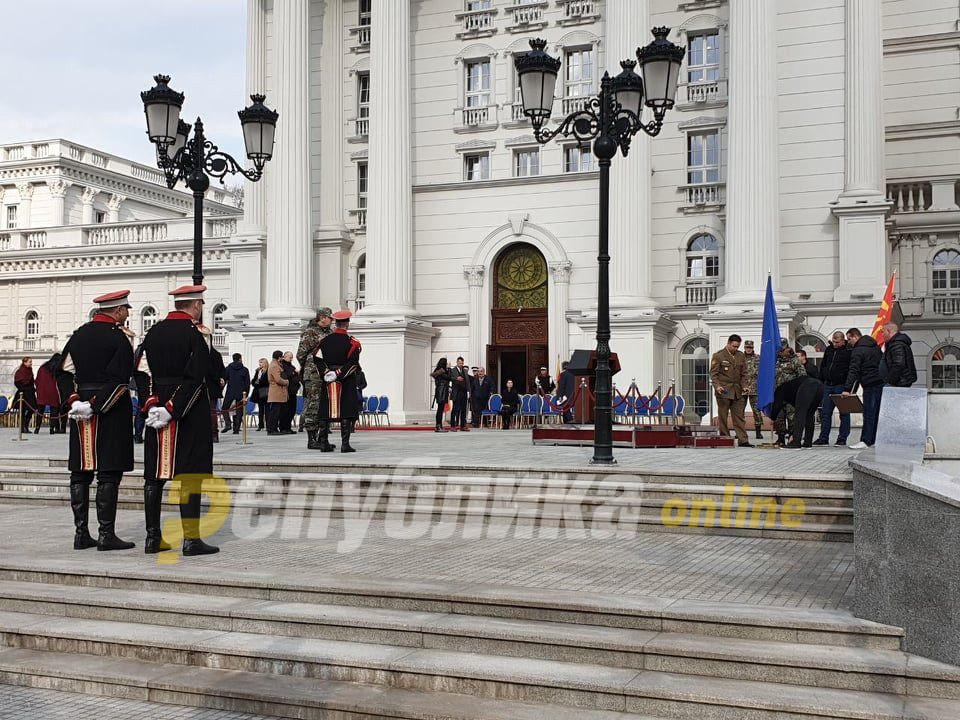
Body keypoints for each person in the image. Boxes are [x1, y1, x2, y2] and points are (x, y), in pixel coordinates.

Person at [140, 284, 218, 556]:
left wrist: (151, 403)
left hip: (156, 408)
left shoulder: (153, 331)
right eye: (201, 305)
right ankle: (191, 540)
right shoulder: (199, 334)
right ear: (195, 305)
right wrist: (174, 407)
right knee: (190, 476)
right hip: (188, 409)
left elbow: (141, 370)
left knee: (155, 475)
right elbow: (198, 374)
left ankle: (153, 538)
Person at [59, 290, 137, 552]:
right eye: (125, 308)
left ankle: (81, 533)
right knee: (108, 472)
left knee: (80, 473)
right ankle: (106, 535)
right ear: (116, 311)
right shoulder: (120, 339)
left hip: (80, 408)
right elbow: (120, 379)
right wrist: (95, 406)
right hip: (110, 410)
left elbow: (63, 372)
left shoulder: (78, 335)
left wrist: (75, 402)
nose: (127, 313)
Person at [315, 310, 363, 453]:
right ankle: (345, 444)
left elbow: (317, 359)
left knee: (325, 410)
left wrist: (327, 373)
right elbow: (353, 363)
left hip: (328, 378)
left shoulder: (324, 341)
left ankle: (323, 443)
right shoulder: (353, 342)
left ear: (335, 323)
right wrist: (339, 373)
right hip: (345, 380)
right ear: (347, 324)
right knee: (346, 411)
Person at [296, 307, 334, 449]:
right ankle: (311, 439)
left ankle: (322, 438)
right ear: (323, 317)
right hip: (313, 374)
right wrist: (309, 367)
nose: (332, 321)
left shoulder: (330, 333)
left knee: (325, 406)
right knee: (314, 405)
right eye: (330, 318)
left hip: (327, 374)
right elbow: (301, 354)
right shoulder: (310, 332)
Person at [842, 327, 884, 449]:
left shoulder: (858, 350)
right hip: (880, 382)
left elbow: (854, 370)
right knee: (877, 413)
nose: (849, 342)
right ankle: (874, 440)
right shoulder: (875, 347)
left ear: (855, 336)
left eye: (849, 339)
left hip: (870, 384)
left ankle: (866, 440)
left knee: (869, 413)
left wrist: (847, 389)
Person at [709, 334, 752, 448]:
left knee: (739, 417)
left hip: (737, 391)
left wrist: (745, 385)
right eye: (734, 346)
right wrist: (717, 386)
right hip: (724, 390)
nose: (735, 349)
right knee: (723, 415)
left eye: (737, 346)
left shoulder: (740, 356)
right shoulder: (718, 356)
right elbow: (714, 374)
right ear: (728, 343)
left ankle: (743, 440)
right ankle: (725, 438)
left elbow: (744, 374)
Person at [813, 331, 852, 446]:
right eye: (833, 341)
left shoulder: (849, 351)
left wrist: (848, 387)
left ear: (843, 340)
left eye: (837, 342)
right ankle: (823, 438)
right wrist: (821, 381)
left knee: (844, 413)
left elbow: (851, 369)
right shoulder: (829, 350)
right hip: (828, 385)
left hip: (841, 385)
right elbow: (823, 365)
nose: (835, 344)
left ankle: (842, 438)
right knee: (825, 413)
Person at [770, 374, 825, 449]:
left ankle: (796, 442)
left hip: (807, 386)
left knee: (800, 414)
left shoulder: (779, 390)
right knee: (809, 415)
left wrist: (772, 417)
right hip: (820, 386)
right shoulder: (790, 387)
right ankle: (807, 442)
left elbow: (777, 406)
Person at [773, 344, 807, 445]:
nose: (781, 352)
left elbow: (802, 376)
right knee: (779, 417)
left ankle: (793, 437)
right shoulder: (775, 361)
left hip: (791, 394)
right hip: (778, 394)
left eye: (783, 349)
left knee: (792, 416)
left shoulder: (794, 360)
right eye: (779, 350)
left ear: (787, 349)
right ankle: (780, 437)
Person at [221, 353, 250, 435]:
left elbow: (224, 381)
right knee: (239, 411)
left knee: (224, 408)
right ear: (240, 359)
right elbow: (247, 383)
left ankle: (228, 424)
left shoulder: (228, 368)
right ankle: (236, 429)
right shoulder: (245, 370)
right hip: (241, 392)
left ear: (233, 359)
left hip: (230, 391)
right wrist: (246, 394)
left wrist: (221, 390)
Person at [881, 322, 917, 388]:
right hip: (899, 382)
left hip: (898, 383)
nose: (882, 335)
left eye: (883, 332)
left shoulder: (897, 344)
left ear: (888, 331)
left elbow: (898, 364)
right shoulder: (895, 343)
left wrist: (891, 381)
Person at [35, 354, 64, 434]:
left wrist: (38, 389)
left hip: (42, 390)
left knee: (40, 410)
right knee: (54, 410)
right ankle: (52, 428)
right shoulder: (57, 369)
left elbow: (37, 380)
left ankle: (37, 428)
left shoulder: (42, 367)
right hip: (53, 391)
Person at [742, 340, 763, 441]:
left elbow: (763, 371)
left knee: (757, 411)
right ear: (744, 348)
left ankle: (758, 432)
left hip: (755, 388)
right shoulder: (740, 358)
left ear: (753, 348)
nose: (748, 349)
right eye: (747, 347)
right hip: (742, 388)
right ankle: (740, 431)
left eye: (750, 347)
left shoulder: (758, 358)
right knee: (740, 411)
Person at [13, 357, 40, 434]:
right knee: (22, 410)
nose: (31, 363)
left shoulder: (30, 371)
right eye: (29, 362)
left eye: (31, 362)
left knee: (32, 409)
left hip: (30, 393)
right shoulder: (20, 371)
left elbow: (31, 381)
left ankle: (26, 425)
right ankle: (22, 428)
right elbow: (17, 382)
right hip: (23, 393)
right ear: (25, 362)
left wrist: (33, 388)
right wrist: (23, 389)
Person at [266, 350, 288, 435]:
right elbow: (278, 379)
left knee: (277, 412)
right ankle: (272, 429)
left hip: (278, 392)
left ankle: (274, 428)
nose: (282, 358)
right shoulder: (275, 366)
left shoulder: (276, 365)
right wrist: (287, 382)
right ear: (279, 357)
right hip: (276, 392)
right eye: (282, 356)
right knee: (274, 412)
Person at [280, 351, 300, 434]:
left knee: (292, 410)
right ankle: (283, 427)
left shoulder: (291, 366)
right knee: (286, 411)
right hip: (287, 391)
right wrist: (294, 373)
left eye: (292, 357)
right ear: (284, 357)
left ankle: (288, 427)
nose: (291, 359)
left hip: (293, 391)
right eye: (290, 357)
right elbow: (285, 375)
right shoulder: (282, 366)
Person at [449, 356, 470, 431]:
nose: (461, 364)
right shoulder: (453, 370)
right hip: (456, 393)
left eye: (462, 363)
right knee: (455, 409)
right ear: (457, 362)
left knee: (463, 409)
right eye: (459, 363)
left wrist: (468, 391)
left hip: (463, 392)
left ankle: (463, 426)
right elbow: (450, 378)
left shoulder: (465, 371)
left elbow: (467, 381)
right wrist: (456, 378)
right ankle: (452, 425)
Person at [431, 358, 451, 432]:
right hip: (442, 392)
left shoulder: (437, 371)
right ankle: (438, 425)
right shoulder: (442, 371)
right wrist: (448, 369)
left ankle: (439, 425)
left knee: (440, 409)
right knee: (440, 410)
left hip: (440, 391)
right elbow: (448, 378)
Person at [250, 358, 269, 431]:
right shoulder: (258, 371)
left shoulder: (267, 371)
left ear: (264, 363)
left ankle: (268, 425)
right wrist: (255, 382)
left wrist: (259, 382)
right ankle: (260, 425)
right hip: (258, 391)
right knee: (260, 409)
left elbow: (266, 381)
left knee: (267, 409)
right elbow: (254, 380)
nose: (259, 364)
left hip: (265, 390)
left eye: (261, 362)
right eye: (259, 362)